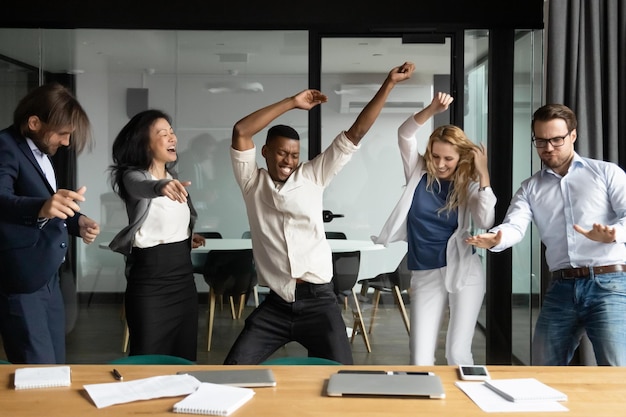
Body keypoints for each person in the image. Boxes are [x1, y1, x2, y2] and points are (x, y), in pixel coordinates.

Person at [224, 62, 415, 365]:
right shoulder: (251, 181)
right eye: (281, 152)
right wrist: (292, 103)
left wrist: (389, 84)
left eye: (294, 154)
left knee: (342, 378)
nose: (288, 160)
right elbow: (241, 130)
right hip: (277, 303)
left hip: (319, 302)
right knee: (234, 370)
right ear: (265, 152)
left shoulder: (313, 175)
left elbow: (357, 132)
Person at [466, 103, 626, 366]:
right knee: (543, 368)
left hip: (609, 284)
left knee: (616, 371)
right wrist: (497, 237)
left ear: (573, 136)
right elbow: (514, 225)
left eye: (556, 140)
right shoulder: (530, 188)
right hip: (561, 287)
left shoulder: (606, 173)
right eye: (541, 141)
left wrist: (613, 234)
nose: (548, 148)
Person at [372, 92, 496, 366]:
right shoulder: (417, 172)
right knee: (420, 357)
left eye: (448, 159)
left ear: (461, 157)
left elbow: (487, 220)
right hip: (425, 272)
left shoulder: (470, 184)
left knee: (457, 353)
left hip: (465, 272)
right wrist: (432, 109)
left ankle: (464, 406)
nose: (440, 164)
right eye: (435, 156)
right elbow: (404, 135)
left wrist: (484, 174)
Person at [0, 83, 101, 364]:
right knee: (37, 371)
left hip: (49, 279)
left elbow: (48, 203)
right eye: (63, 134)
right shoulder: (5, 146)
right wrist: (41, 207)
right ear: (34, 122)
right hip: (22, 282)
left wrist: (77, 222)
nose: (67, 142)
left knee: (55, 367)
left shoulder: (40, 151)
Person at [108, 109, 206, 362]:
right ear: (144, 143)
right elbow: (143, 188)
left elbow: (175, 218)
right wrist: (160, 187)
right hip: (150, 282)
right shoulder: (133, 177)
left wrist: (186, 236)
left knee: (184, 358)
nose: (172, 137)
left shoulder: (174, 178)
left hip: (183, 280)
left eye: (172, 132)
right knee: (147, 359)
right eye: (163, 134)